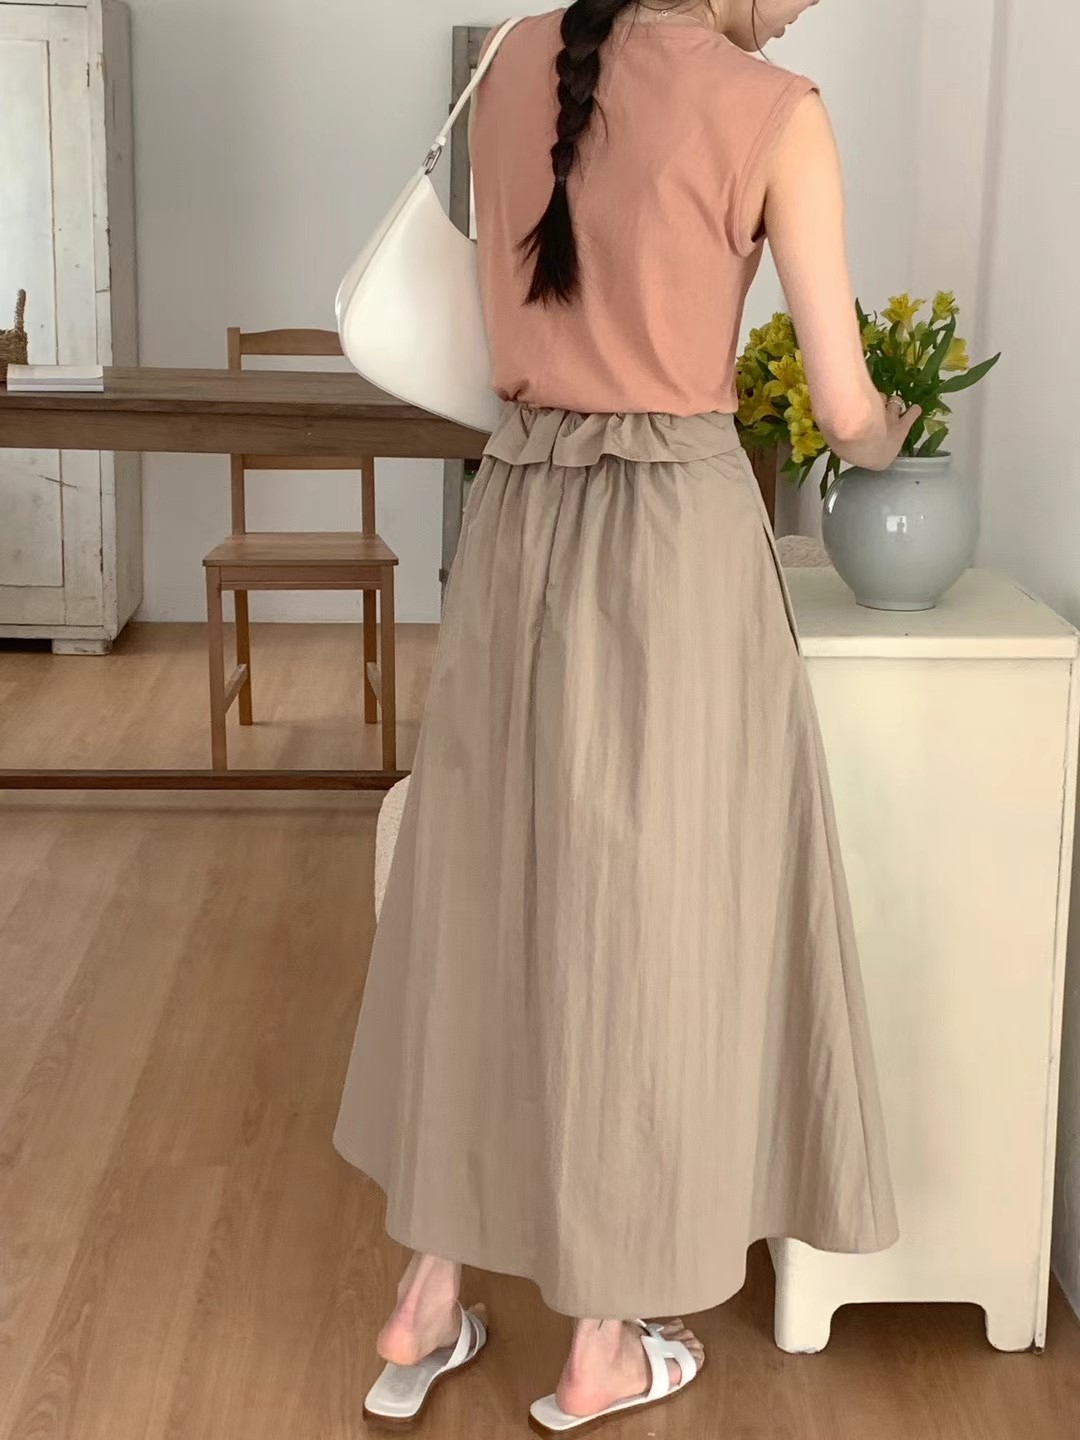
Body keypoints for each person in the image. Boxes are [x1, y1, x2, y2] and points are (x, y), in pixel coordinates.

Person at [334, 2, 913, 1432]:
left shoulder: (514, 55)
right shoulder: (776, 113)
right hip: (669, 544)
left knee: (484, 891)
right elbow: (842, 404)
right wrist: (888, 432)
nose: (808, 5)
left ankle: (426, 1290)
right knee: (641, 922)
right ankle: (601, 1338)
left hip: (518, 513)